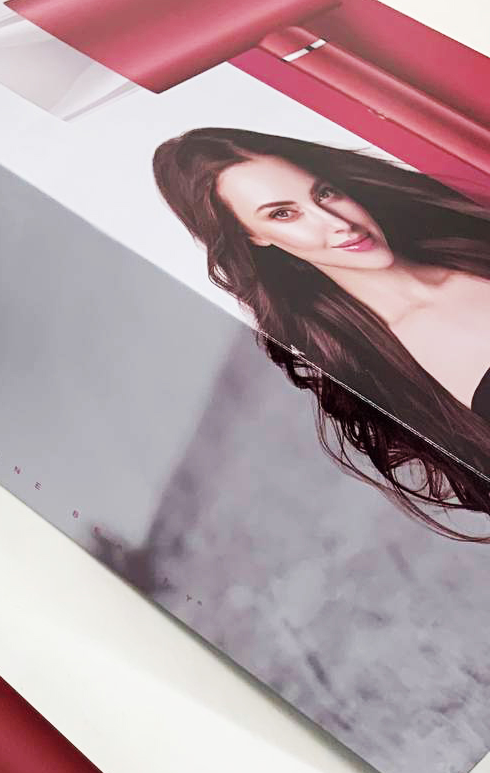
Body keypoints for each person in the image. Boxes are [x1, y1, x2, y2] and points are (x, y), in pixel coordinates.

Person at [153, 126, 490, 534]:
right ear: (252, 236)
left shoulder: (478, 236)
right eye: (283, 213)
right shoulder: (380, 377)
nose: (337, 224)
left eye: (324, 193)